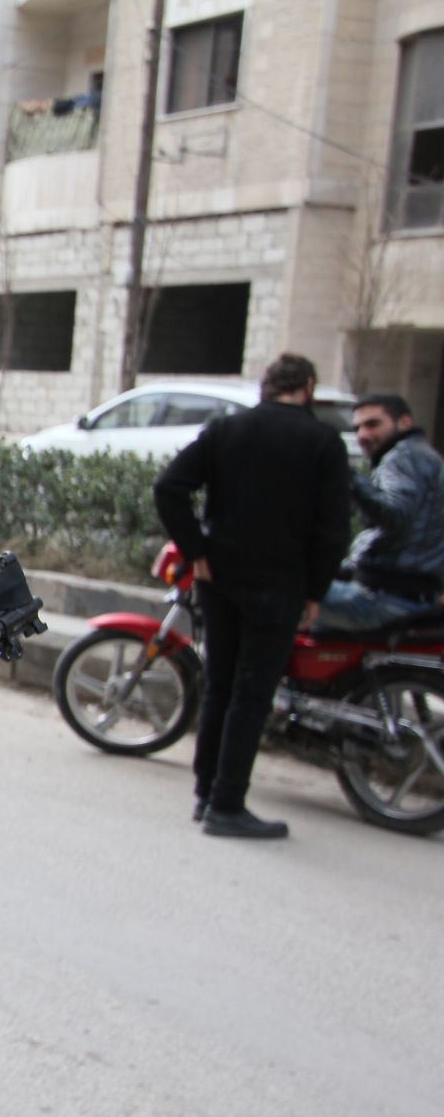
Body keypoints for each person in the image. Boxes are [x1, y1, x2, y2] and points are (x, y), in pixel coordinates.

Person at [153, 353, 352, 839]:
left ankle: (206, 793)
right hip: (279, 585)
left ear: (267, 386)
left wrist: (196, 550)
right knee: (252, 693)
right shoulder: (323, 442)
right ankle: (227, 804)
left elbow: (169, 487)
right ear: (307, 386)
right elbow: (333, 532)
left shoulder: (227, 430)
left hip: (218, 579)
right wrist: (315, 592)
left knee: (220, 685)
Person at [314, 393, 444, 632]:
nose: (363, 435)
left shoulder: (405, 456)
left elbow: (395, 516)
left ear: (404, 422)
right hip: (403, 595)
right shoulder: (422, 455)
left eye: (373, 424)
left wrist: (346, 474)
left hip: (387, 599)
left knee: (278, 599)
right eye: (358, 428)